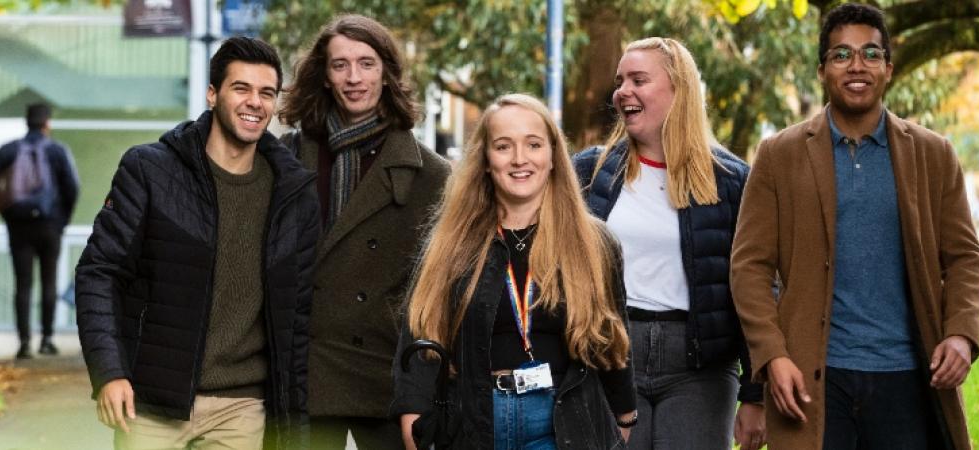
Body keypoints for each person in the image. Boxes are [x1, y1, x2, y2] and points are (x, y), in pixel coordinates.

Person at [729, 4, 979, 449]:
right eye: (841, 55)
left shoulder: (934, 155)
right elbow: (749, 267)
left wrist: (962, 334)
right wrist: (772, 356)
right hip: (814, 379)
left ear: (888, 68)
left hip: (908, 376)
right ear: (822, 69)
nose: (857, 66)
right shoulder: (778, 155)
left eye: (870, 54)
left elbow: (965, 258)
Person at [75, 36, 319, 449]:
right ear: (212, 94)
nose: (254, 103)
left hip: (242, 406)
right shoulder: (150, 171)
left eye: (266, 93)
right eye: (241, 88)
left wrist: (293, 421)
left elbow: (298, 318)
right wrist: (110, 373)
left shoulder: (293, 195)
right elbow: (99, 273)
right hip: (152, 401)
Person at [392, 94, 637, 450]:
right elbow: (421, 333)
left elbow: (612, 340)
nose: (520, 159)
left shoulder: (592, 243)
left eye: (533, 144)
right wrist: (413, 420)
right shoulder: (451, 243)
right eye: (504, 146)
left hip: (561, 424)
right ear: (486, 161)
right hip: (474, 424)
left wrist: (623, 418)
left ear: (553, 155)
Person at [573, 37, 765, 450]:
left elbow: (757, 289)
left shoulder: (732, 181)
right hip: (611, 355)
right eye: (620, 80)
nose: (623, 91)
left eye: (639, 79)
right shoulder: (589, 171)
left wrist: (755, 393)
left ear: (679, 90)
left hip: (701, 367)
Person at [277, 14, 451, 450]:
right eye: (340, 65)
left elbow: (438, 294)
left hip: (386, 372)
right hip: (308, 370)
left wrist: (422, 387)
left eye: (367, 63)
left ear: (387, 74)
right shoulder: (288, 157)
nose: (354, 78)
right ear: (325, 77)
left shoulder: (432, 175)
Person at [0, 102, 80, 360]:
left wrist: (8, 214)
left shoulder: (9, 150)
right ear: (47, 123)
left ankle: (24, 342)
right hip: (50, 226)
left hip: (19, 226)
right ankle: (47, 339)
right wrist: (62, 221)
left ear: (27, 122)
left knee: (23, 283)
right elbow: (72, 187)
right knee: (49, 282)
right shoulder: (58, 151)